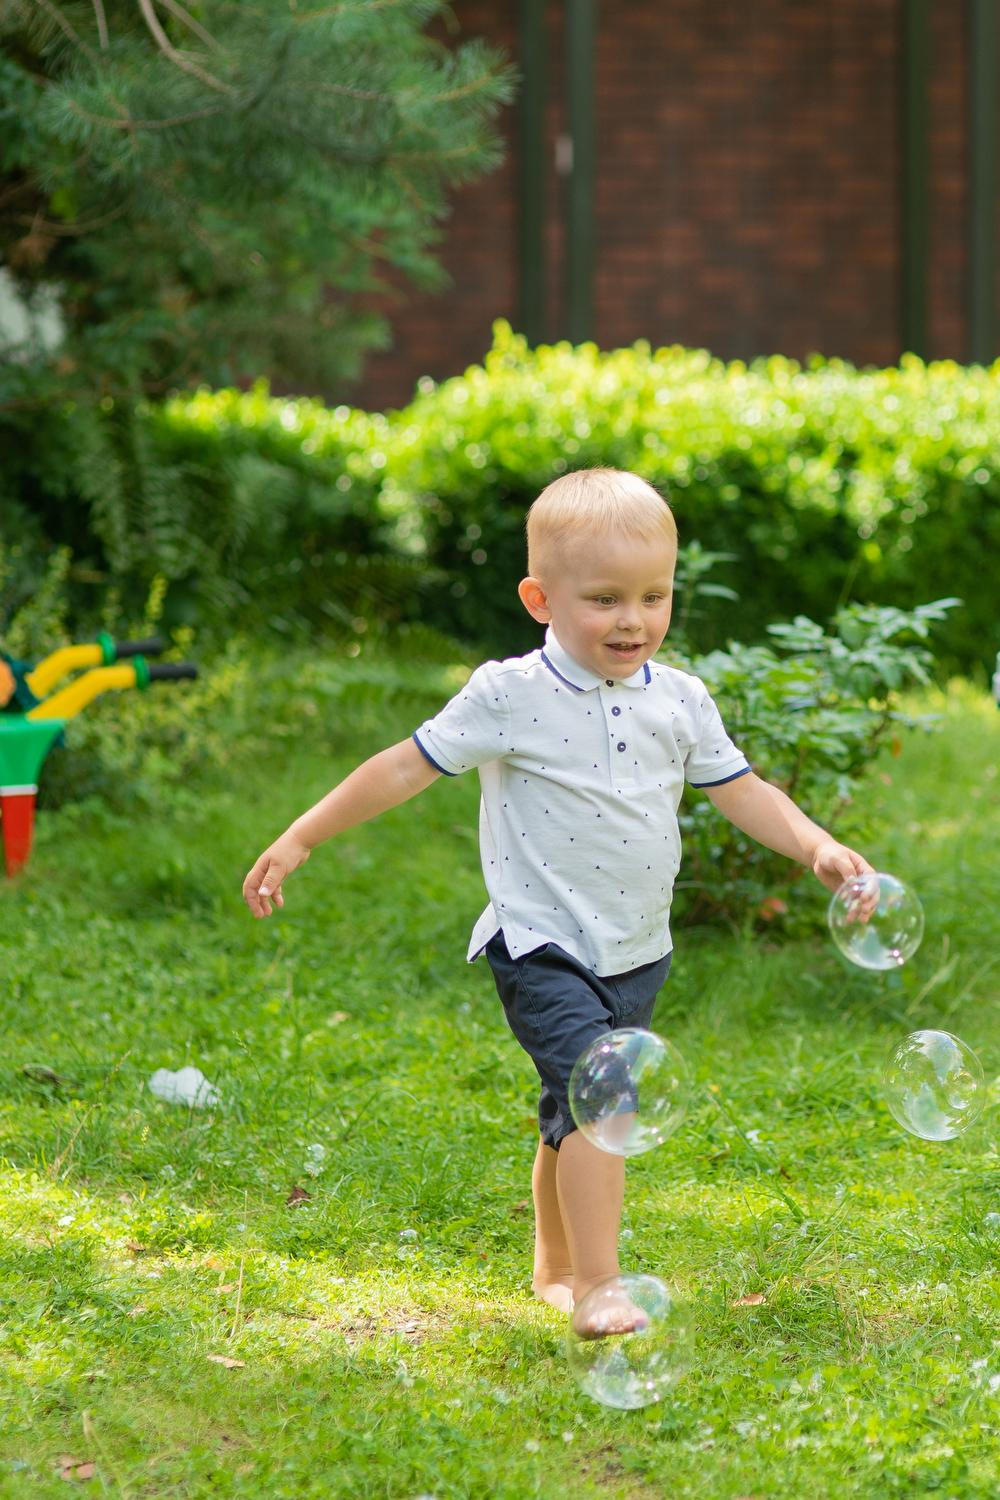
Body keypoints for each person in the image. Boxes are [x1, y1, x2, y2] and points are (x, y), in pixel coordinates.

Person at [242, 468, 873, 1337]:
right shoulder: (511, 693)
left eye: (655, 596)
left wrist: (814, 844)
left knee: (569, 1108)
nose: (633, 619)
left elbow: (743, 788)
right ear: (541, 598)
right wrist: (303, 834)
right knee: (603, 1101)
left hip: (637, 947)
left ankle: (557, 1265)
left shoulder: (680, 700)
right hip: (541, 943)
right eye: (605, 598)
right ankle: (602, 1286)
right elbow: (403, 764)